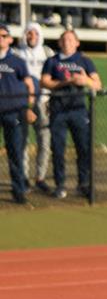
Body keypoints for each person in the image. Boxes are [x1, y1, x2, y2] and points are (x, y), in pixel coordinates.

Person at [40, 27, 100, 198]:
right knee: (58, 149)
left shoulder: (85, 61)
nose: (67, 42)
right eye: (64, 40)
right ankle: (60, 184)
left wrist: (85, 80)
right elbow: (44, 82)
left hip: (79, 111)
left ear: (77, 43)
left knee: (83, 148)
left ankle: (84, 183)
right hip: (58, 110)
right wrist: (64, 82)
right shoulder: (52, 61)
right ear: (59, 43)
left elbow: (97, 83)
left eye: (70, 40)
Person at [0, 25, 34, 204]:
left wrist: (29, 107)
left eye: (3, 36)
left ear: (10, 40)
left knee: (15, 152)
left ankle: (18, 189)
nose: (0, 38)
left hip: (13, 111)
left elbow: (29, 85)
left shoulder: (17, 61)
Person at [17, 22, 51, 193]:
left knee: (44, 141)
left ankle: (41, 177)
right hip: (23, 103)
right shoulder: (17, 53)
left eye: (35, 34)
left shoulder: (47, 53)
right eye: (29, 33)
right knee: (22, 141)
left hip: (43, 102)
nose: (32, 37)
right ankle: (23, 178)